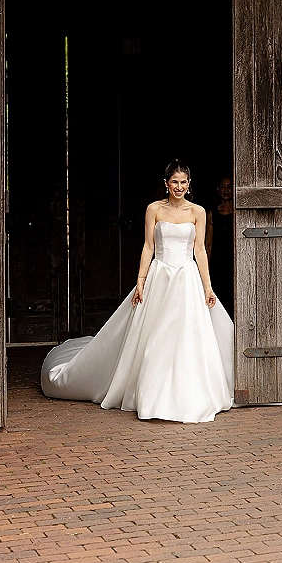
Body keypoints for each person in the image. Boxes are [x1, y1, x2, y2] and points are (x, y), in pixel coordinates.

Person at [41, 159, 234, 423]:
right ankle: (154, 396)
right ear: (166, 184)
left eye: (184, 182)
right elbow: (148, 247)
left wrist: (207, 286)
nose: (179, 187)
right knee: (157, 335)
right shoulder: (154, 209)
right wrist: (141, 281)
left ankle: (191, 394)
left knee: (188, 333)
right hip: (160, 275)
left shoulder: (198, 212)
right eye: (174, 182)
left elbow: (199, 250)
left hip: (187, 278)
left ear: (189, 185)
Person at [205, 175, 234, 320]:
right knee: (219, 296)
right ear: (218, 190)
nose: (226, 190)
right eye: (223, 187)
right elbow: (208, 244)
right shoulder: (212, 214)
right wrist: (206, 267)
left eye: (229, 186)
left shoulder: (238, 213)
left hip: (234, 260)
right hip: (218, 261)